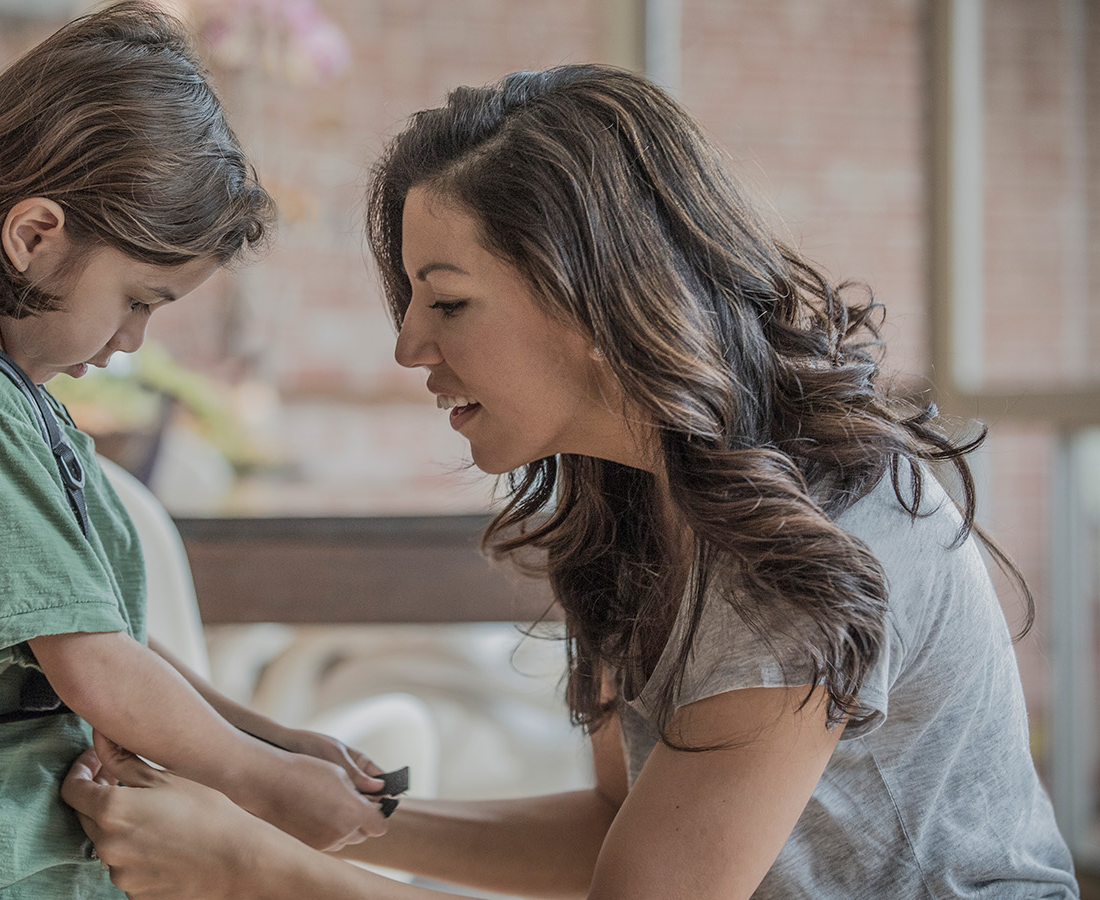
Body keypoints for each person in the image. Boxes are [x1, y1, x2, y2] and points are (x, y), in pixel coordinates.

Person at [61, 63, 1081, 899]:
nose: (409, 343)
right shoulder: (632, 502)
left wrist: (257, 873)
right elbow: (615, 831)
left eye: (448, 303)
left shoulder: (795, 539)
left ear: (595, 301)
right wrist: (299, 813)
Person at [0, 5, 391, 898]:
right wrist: (259, 782)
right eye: (139, 299)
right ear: (32, 235)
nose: (136, 340)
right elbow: (95, 668)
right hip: (1, 862)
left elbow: (107, 636)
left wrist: (274, 741)